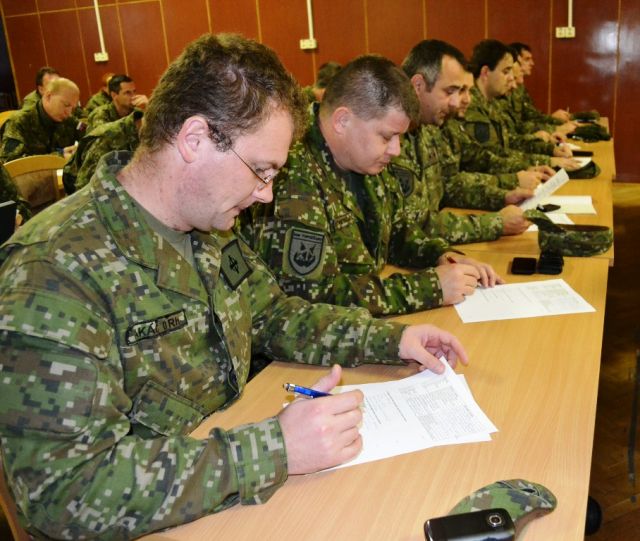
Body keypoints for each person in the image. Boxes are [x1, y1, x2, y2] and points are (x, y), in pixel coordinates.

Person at [0, 33, 469, 539]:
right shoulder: (53, 271)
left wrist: (391, 340)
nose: (266, 195)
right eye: (261, 170)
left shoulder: (208, 227)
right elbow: (64, 494)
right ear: (194, 139)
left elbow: (274, 315)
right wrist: (273, 449)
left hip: (227, 501)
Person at [251, 54, 501, 317]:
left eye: (399, 137)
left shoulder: (365, 159)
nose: (396, 150)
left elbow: (398, 232)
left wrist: (441, 256)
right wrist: (429, 288)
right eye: (387, 136)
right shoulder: (292, 175)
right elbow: (311, 295)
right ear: (342, 121)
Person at [395, 39, 531, 243]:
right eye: (449, 92)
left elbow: (448, 186)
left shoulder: (428, 129)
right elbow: (411, 226)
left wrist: (501, 196)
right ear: (418, 86)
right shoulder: (387, 140)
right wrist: (495, 223)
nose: (456, 103)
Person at [464, 39, 580, 171]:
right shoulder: (471, 106)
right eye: (506, 72)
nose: (511, 79)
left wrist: (550, 150)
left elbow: (509, 142)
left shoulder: (491, 102)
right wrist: (547, 161)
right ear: (485, 72)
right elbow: (491, 159)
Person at [0, 77, 82, 162]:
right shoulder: (19, 121)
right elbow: (10, 161)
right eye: (66, 105)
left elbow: (88, 135)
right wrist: (58, 157)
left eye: (73, 108)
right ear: (48, 96)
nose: (69, 113)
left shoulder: (69, 120)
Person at [62, 109, 143, 194]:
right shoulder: (106, 139)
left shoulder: (143, 134)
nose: (68, 111)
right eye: (67, 106)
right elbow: (86, 193)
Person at [510, 42, 573, 124]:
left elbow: (533, 116)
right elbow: (520, 125)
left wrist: (553, 119)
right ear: (515, 60)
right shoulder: (506, 88)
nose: (532, 63)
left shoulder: (521, 87)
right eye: (527, 59)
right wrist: (552, 119)